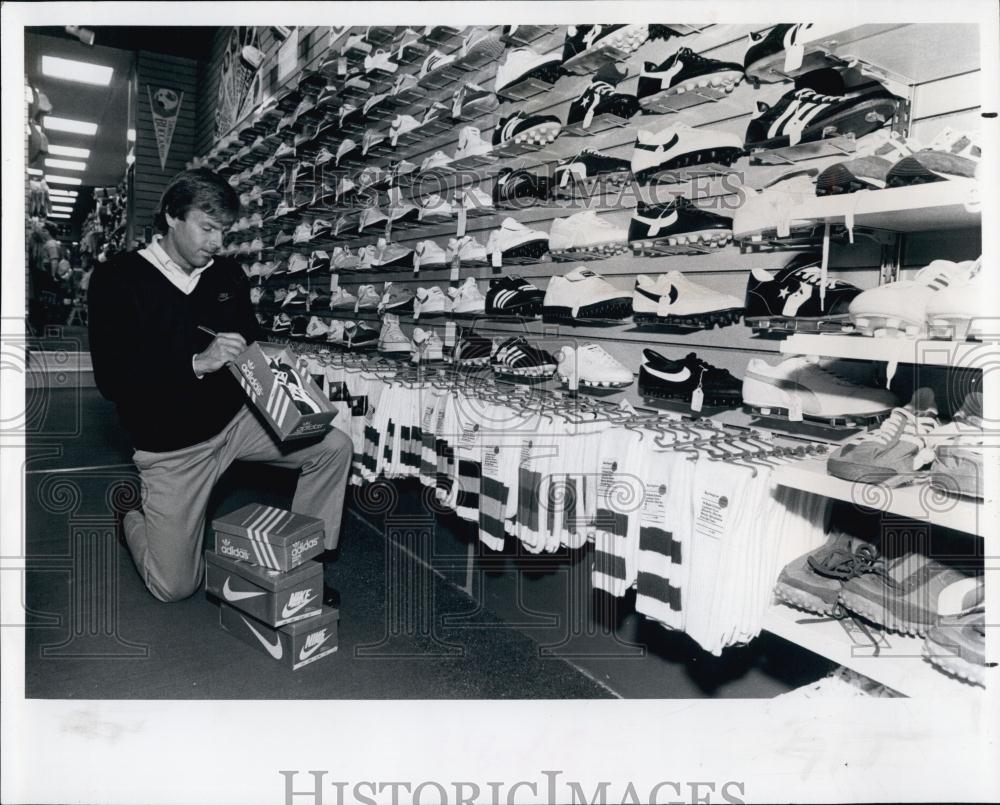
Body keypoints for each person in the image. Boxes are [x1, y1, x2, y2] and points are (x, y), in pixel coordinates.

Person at [88, 168, 352, 604]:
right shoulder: (117, 278)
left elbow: (247, 344)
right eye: (207, 228)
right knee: (174, 587)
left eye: (224, 231)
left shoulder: (227, 275)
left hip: (236, 423)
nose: (216, 242)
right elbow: (112, 380)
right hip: (171, 445)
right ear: (172, 216)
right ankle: (131, 520)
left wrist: (283, 375)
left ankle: (304, 567)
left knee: (333, 446)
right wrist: (196, 362)